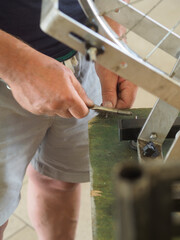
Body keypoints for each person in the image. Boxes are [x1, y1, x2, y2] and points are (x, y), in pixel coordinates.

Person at [0, 0, 137, 239]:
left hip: (86, 48)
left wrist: (111, 26)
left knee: (59, 179)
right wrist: (16, 65)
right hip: (6, 72)